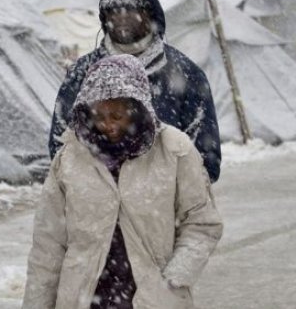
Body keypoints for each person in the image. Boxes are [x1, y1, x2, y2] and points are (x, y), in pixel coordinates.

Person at [23, 55, 223, 309]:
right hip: (85, 298)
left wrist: (175, 277)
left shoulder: (174, 150)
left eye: (117, 115)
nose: (107, 125)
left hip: (152, 297)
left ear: (137, 109)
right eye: (99, 114)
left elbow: (202, 222)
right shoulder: (69, 159)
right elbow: (48, 245)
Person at [49, 0, 221, 183]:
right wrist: (92, 191)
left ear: (150, 13)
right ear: (104, 18)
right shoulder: (83, 73)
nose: (121, 17)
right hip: (99, 207)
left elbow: (205, 157)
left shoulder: (185, 73)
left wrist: (171, 195)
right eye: (113, 10)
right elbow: (60, 146)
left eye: (130, 9)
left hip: (163, 208)